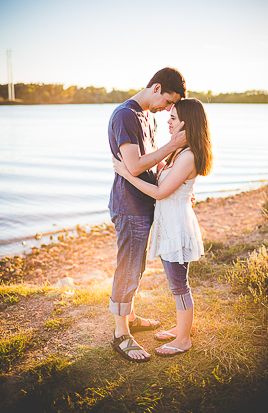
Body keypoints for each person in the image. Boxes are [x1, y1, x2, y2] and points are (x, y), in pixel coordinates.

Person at [113, 97, 212, 357]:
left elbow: (159, 192)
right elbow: (165, 180)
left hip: (177, 228)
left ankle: (183, 340)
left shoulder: (188, 156)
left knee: (179, 285)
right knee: (176, 283)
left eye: (174, 119)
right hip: (170, 225)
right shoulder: (179, 152)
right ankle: (180, 330)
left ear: (187, 124)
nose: (168, 121)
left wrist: (126, 174)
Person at [107, 67, 188, 362]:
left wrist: (176, 181)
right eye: (168, 101)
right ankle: (120, 335)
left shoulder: (146, 117)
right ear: (156, 88)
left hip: (143, 204)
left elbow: (150, 163)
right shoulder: (125, 115)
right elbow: (135, 166)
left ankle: (129, 316)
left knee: (136, 266)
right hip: (128, 206)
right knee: (128, 266)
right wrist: (173, 145)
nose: (168, 108)